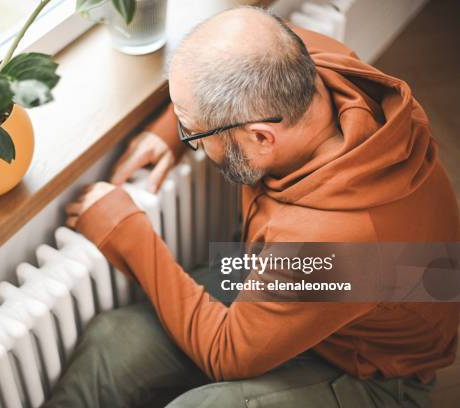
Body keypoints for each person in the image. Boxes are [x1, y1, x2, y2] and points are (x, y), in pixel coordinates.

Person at [46, 6, 460, 408]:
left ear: (261, 138)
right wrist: (166, 134)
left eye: (192, 131)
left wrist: (124, 231)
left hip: (371, 368)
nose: (189, 138)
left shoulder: (333, 244)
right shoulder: (298, 61)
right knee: (112, 341)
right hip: (309, 287)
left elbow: (229, 354)